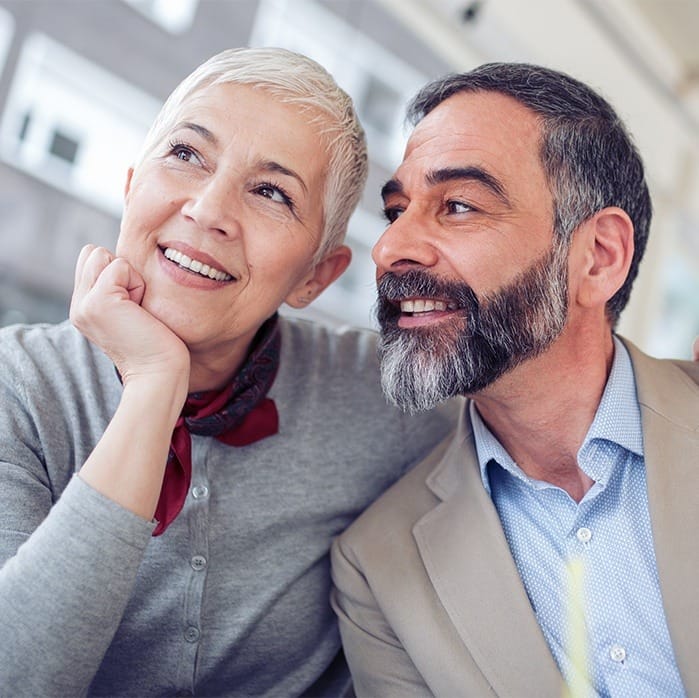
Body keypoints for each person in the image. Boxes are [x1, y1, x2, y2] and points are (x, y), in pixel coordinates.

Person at [0, 47, 457, 696]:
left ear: (315, 277)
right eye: (186, 155)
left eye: (271, 192)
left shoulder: (384, 397)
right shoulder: (17, 384)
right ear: (132, 185)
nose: (208, 211)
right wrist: (154, 387)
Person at [331, 62, 699, 697]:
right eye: (396, 210)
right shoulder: (378, 571)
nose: (390, 248)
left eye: (459, 205)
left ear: (598, 258)